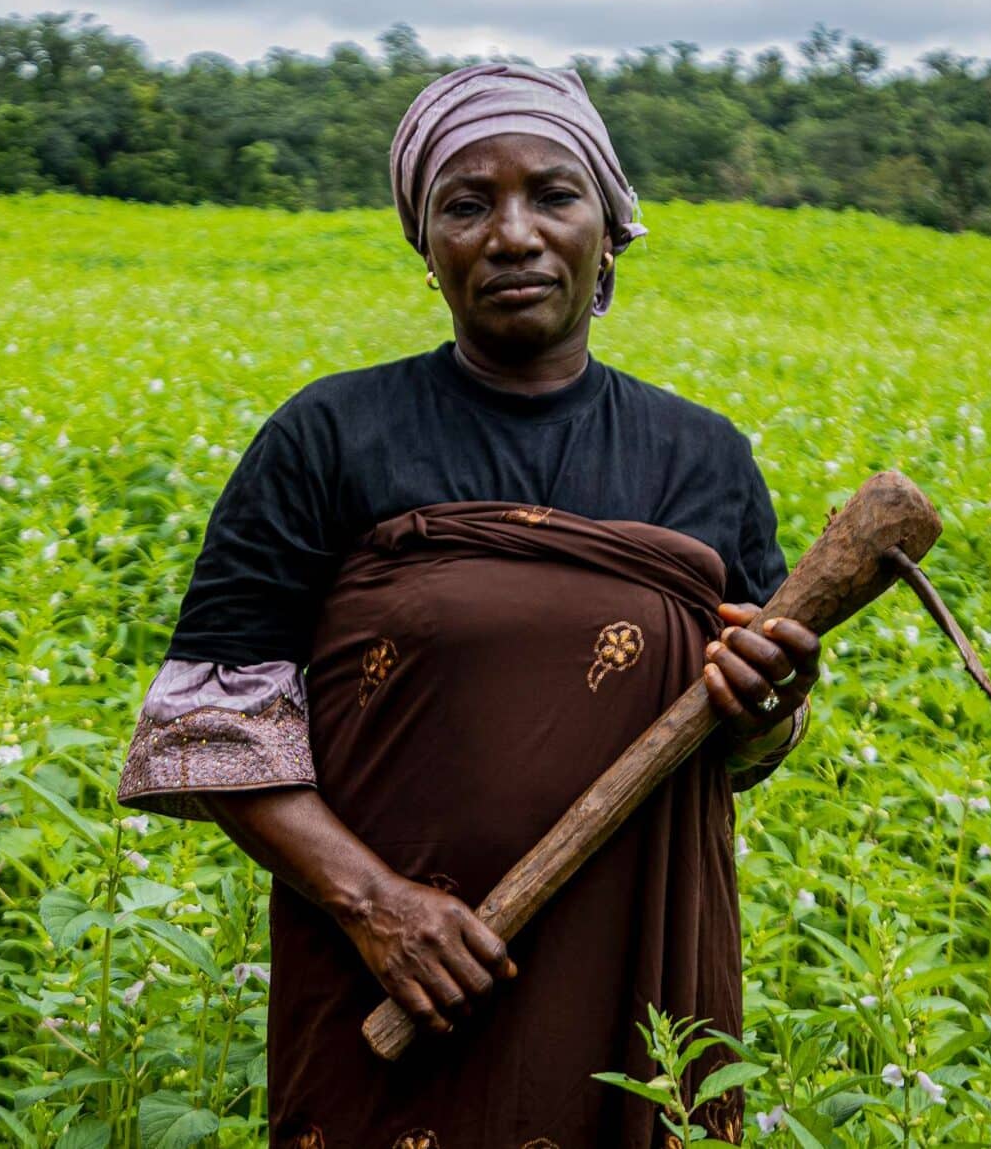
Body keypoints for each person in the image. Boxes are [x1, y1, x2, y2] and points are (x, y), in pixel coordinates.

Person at [116, 62, 820, 1148]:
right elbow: (209, 725)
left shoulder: (702, 459)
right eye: (466, 203)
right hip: (391, 978)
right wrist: (374, 907)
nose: (512, 233)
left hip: (629, 953)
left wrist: (768, 702)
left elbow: (746, 744)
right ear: (424, 244)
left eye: (551, 194)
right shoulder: (329, 437)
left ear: (608, 228)